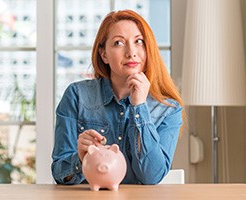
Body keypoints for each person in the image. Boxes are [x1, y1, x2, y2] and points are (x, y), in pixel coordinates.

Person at [51, 10, 184, 185]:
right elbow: (60, 173)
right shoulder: (77, 96)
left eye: (139, 42)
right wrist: (80, 159)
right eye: (119, 43)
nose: (131, 52)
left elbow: (151, 177)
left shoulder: (168, 109)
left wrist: (139, 107)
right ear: (103, 54)